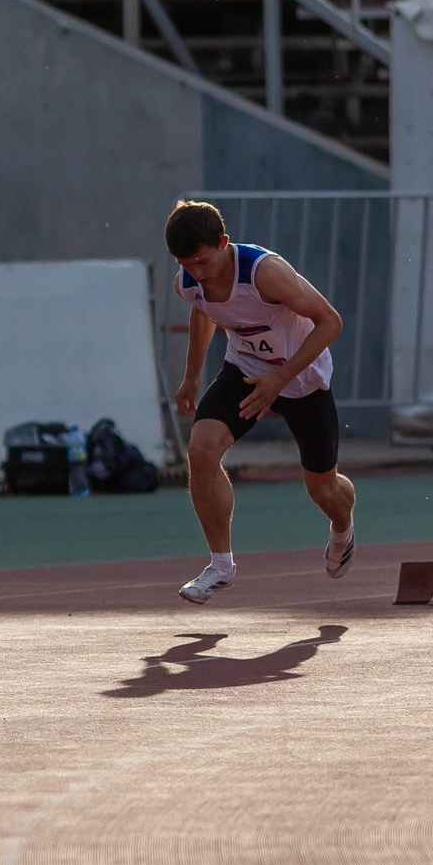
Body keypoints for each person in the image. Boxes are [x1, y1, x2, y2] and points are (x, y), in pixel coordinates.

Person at [168, 201, 356, 604]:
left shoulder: (265, 273)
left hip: (302, 378)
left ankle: (343, 528)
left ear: (223, 243)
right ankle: (221, 565)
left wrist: (280, 380)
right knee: (201, 451)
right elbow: (204, 311)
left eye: (202, 261)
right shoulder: (188, 281)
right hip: (245, 371)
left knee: (322, 490)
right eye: (186, 265)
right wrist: (192, 378)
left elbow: (331, 322)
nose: (196, 272)